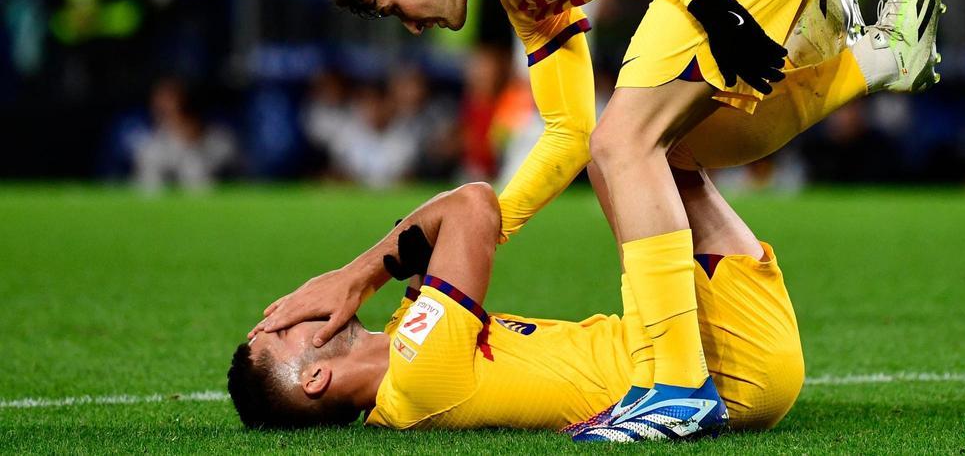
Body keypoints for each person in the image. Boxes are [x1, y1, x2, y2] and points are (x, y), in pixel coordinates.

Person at [315, 0, 946, 440]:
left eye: (391, 8)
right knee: (664, 147)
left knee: (625, 144)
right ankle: (878, 57)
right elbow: (568, 133)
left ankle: (676, 388)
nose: (411, 27)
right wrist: (484, 231)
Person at [230, 177, 804, 438]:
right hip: (728, 373)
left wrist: (363, 280)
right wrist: (354, 279)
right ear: (317, 378)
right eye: (281, 330)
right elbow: (472, 207)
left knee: (635, 148)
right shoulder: (417, 376)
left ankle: (837, 65)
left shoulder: (405, 337)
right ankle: (848, 69)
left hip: (702, 351)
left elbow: (427, 229)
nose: (292, 308)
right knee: (627, 146)